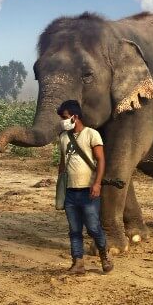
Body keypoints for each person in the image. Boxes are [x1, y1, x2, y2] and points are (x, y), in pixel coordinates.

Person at [57, 100, 113, 274]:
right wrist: (60, 187)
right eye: (61, 118)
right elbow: (62, 163)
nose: (63, 121)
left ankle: (104, 255)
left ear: (75, 116)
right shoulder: (63, 137)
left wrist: (96, 183)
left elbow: (101, 160)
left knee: (93, 227)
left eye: (65, 117)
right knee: (74, 230)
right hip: (70, 193)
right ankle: (78, 262)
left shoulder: (91, 134)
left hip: (88, 191)